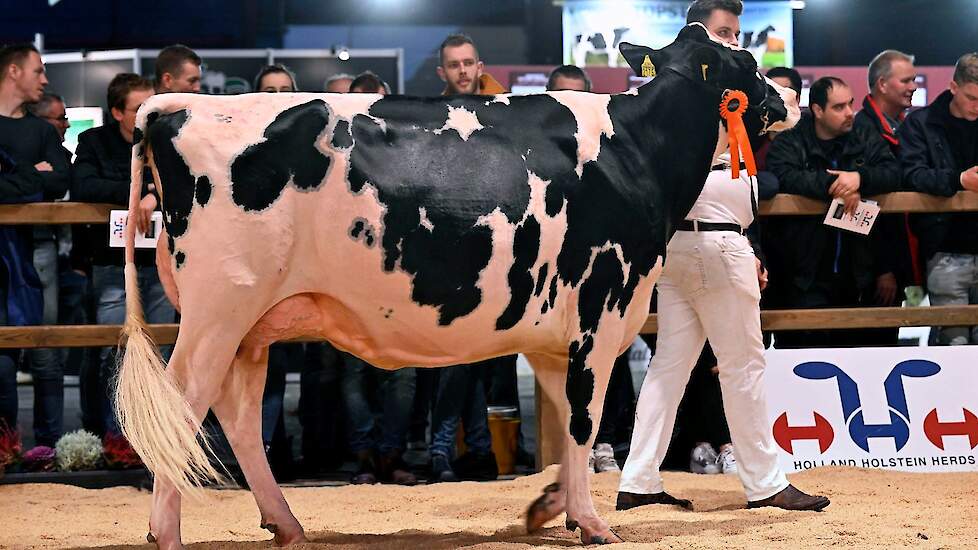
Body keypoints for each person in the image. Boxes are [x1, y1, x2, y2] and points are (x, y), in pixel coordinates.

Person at [617, 0, 829, 513]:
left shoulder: (678, 94)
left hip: (685, 246)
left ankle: (639, 479)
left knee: (670, 366)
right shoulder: (696, 94)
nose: (734, 42)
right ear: (697, 37)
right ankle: (767, 483)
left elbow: (789, 110)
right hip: (714, 244)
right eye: (724, 33)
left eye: (737, 33)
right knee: (744, 367)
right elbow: (787, 110)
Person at [767, 76, 902, 349]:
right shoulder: (790, 138)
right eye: (839, 107)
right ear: (817, 110)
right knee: (804, 354)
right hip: (804, 273)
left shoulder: (864, 135)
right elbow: (783, 175)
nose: (850, 113)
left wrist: (859, 178)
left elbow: (894, 172)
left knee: (852, 353)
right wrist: (835, 185)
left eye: (850, 104)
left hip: (856, 272)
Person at [71, 73, 172, 435]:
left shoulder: (165, 141)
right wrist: (140, 190)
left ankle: (158, 436)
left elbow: (183, 182)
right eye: (140, 109)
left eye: (153, 107)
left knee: (161, 350)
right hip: (110, 263)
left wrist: (154, 196)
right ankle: (116, 437)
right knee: (113, 352)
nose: (149, 116)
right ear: (117, 111)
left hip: (161, 266)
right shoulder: (93, 141)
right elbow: (83, 184)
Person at [425, 33, 504, 484]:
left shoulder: (503, 111)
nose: (461, 71)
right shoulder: (432, 117)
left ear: (480, 65)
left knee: (474, 354)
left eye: (468, 63)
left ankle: (472, 448)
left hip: (497, 246)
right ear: (443, 72)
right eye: (453, 65)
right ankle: (460, 449)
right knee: (460, 351)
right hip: (447, 246)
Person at [0, 43, 69, 446]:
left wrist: (14, 172)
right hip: (13, 250)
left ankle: (50, 446)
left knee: (46, 352)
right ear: (13, 71)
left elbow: (62, 180)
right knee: (2, 362)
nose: (44, 79)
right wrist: (31, 175)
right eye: (38, 70)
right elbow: (43, 179)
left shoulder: (41, 129)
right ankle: (6, 447)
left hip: (37, 248)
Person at [899, 52, 978, 345]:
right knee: (954, 344)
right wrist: (958, 180)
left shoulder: (921, 122)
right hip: (944, 249)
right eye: (972, 97)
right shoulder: (921, 123)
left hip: (951, 245)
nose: (977, 106)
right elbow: (912, 175)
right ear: (954, 87)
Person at [853, 50, 921, 343]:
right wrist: (883, 269)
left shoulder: (904, 127)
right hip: (870, 269)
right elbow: (863, 203)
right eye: (906, 80)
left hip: (898, 259)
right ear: (882, 84)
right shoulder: (862, 130)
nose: (913, 86)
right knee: (872, 345)